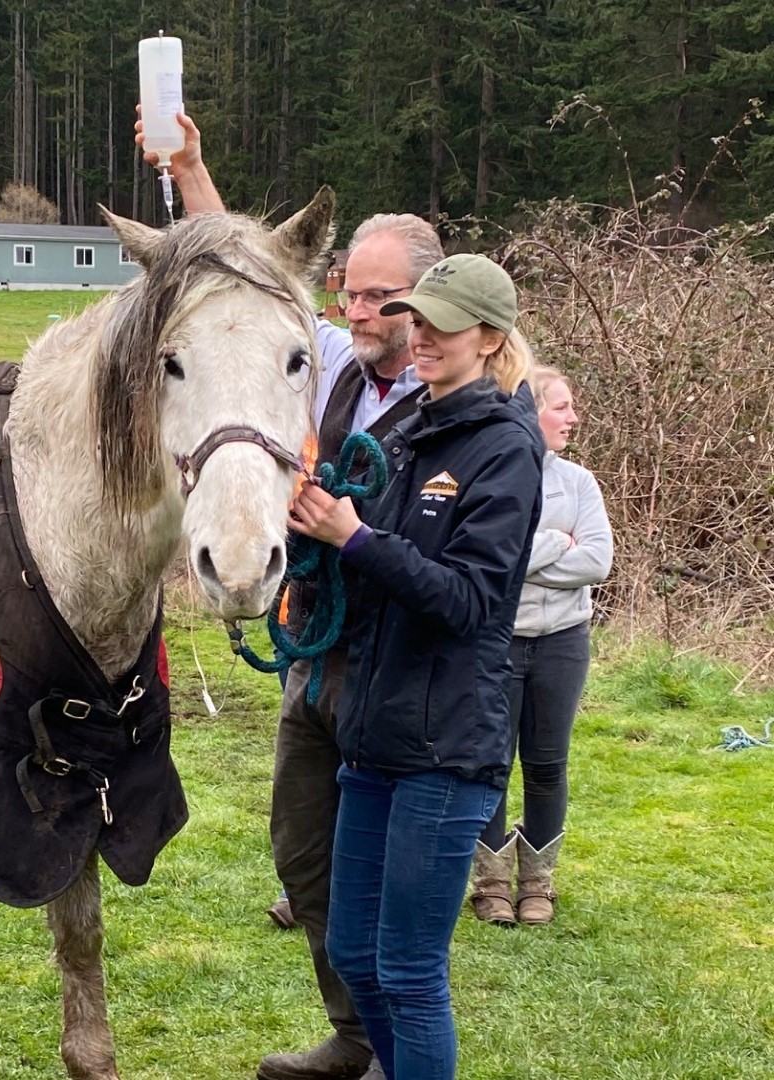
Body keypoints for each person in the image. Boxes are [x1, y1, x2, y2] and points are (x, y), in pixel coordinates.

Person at [142, 109, 444, 1080]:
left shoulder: (464, 414)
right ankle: (352, 1035)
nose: (356, 313)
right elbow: (248, 292)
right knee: (302, 853)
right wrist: (191, 172)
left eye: (379, 298)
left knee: (390, 896)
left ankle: (397, 1049)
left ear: (428, 302)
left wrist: (354, 536)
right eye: (348, 294)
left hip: (401, 674)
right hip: (319, 653)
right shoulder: (330, 372)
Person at [288, 252, 542, 1080]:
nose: (423, 334)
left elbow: (468, 600)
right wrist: (307, 537)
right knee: (356, 957)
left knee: (407, 970)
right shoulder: (408, 430)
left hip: (446, 742)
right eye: (419, 318)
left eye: (445, 323)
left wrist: (355, 538)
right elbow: (367, 567)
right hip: (375, 728)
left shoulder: (504, 446)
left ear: (491, 337)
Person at [467, 365, 612, 928]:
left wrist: (523, 558)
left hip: (562, 643)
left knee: (548, 765)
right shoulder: (492, 477)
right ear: (528, 410)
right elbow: (489, 560)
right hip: (497, 642)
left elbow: (596, 561)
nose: (573, 418)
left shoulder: (579, 484)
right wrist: (556, 543)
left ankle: (538, 885)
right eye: (562, 407)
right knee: (492, 764)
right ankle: (493, 885)